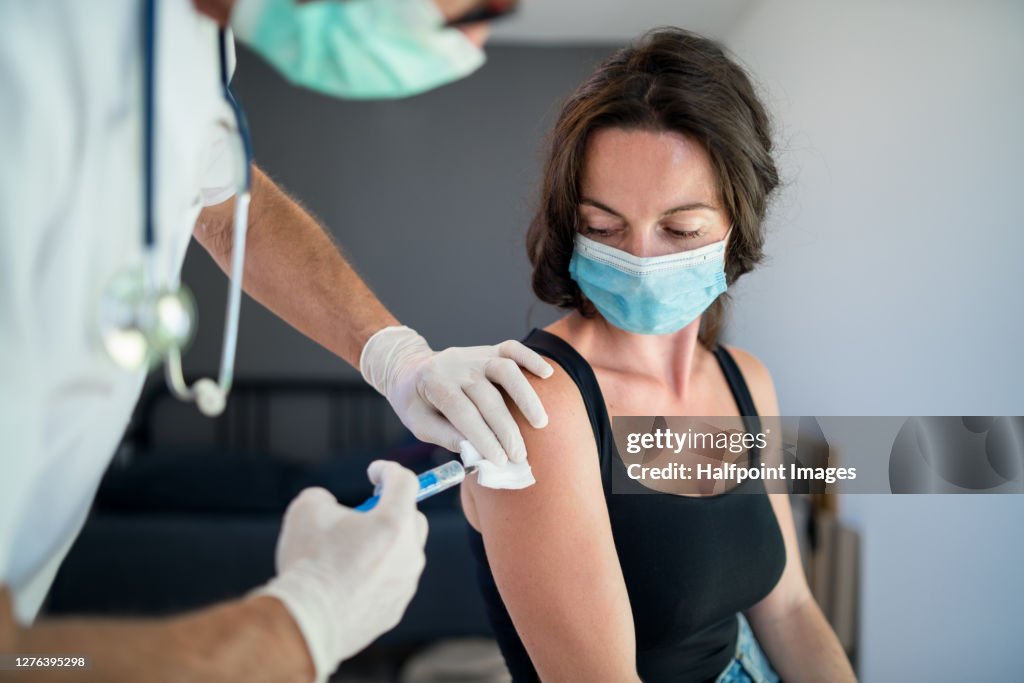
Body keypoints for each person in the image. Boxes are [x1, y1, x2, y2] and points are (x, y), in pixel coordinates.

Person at [0, 0, 552, 681]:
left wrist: (397, 356)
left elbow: (227, 204)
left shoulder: (191, 41)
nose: (472, 41)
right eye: (477, 6)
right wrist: (302, 624)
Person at [462, 28, 859, 683]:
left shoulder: (745, 381)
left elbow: (788, 608)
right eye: (604, 227)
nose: (641, 259)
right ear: (570, 224)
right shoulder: (543, 406)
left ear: (737, 227)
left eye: (681, 229)